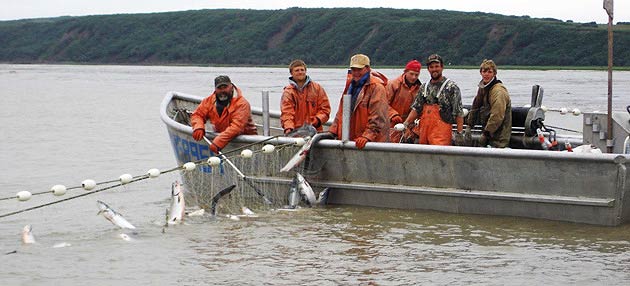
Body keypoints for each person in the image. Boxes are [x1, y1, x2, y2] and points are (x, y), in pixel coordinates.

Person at [329, 54, 389, 149]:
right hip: (352, 140)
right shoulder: (349, 86)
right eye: (353, 69)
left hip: (371, 143)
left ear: (368, 68)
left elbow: (378, 117)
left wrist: (367, 136)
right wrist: (332, 131)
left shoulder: (377, 87)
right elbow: (341, 111)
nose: (356, 72)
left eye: (359, 69)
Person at [403, 54, 464, 146]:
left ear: (442, 67)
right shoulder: (424, 87)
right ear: (428, 69)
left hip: (441, 134)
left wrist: (459, 134)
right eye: (431, 67)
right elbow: (416, 108)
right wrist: (405, 124)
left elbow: (459, 112)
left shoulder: (452, 87)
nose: (434, 69)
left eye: (437, 66)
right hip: (424, 132)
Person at [190, 75, 257, 153]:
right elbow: (197, 115)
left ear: (231, 87)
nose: (222, 91)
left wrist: (219, 141)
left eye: (225, 87)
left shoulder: (242, 104)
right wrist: (198, 127)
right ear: (215, 90)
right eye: (219, 88)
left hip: (247, 144)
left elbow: (237, 126)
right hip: (222, 141)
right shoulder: (209, 101)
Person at [465, 59, 512, 148]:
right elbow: (475, 106)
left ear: (494, 74)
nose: (486, 74)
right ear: (480, 73)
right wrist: (469, 126)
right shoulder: (483, 88)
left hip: (499, 138)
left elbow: (497, 115)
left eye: (489, 72)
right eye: (484, 71)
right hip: (488, 135)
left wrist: (486, 133)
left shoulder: (498, 91)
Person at [280, 59, 331, 135]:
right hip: (296, 133)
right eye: (297, 70)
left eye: (302, 70)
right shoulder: (288, 92)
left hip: (315, 132)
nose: (300, 72)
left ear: (305, 71)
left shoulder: (317, 88)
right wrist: (289, 129)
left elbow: (325, 109)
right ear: (291, 73)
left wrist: (316, 121)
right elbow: (287, 113)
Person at [386, 59, 422, 142]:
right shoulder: (393, 84)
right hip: (391, 124)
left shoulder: (419, 89)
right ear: (405, 72)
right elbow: (383, 103)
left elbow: (419, 110)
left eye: (416, 75)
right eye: (411, 74)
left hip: (408, 126)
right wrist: (393, 114)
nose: (414, 77)